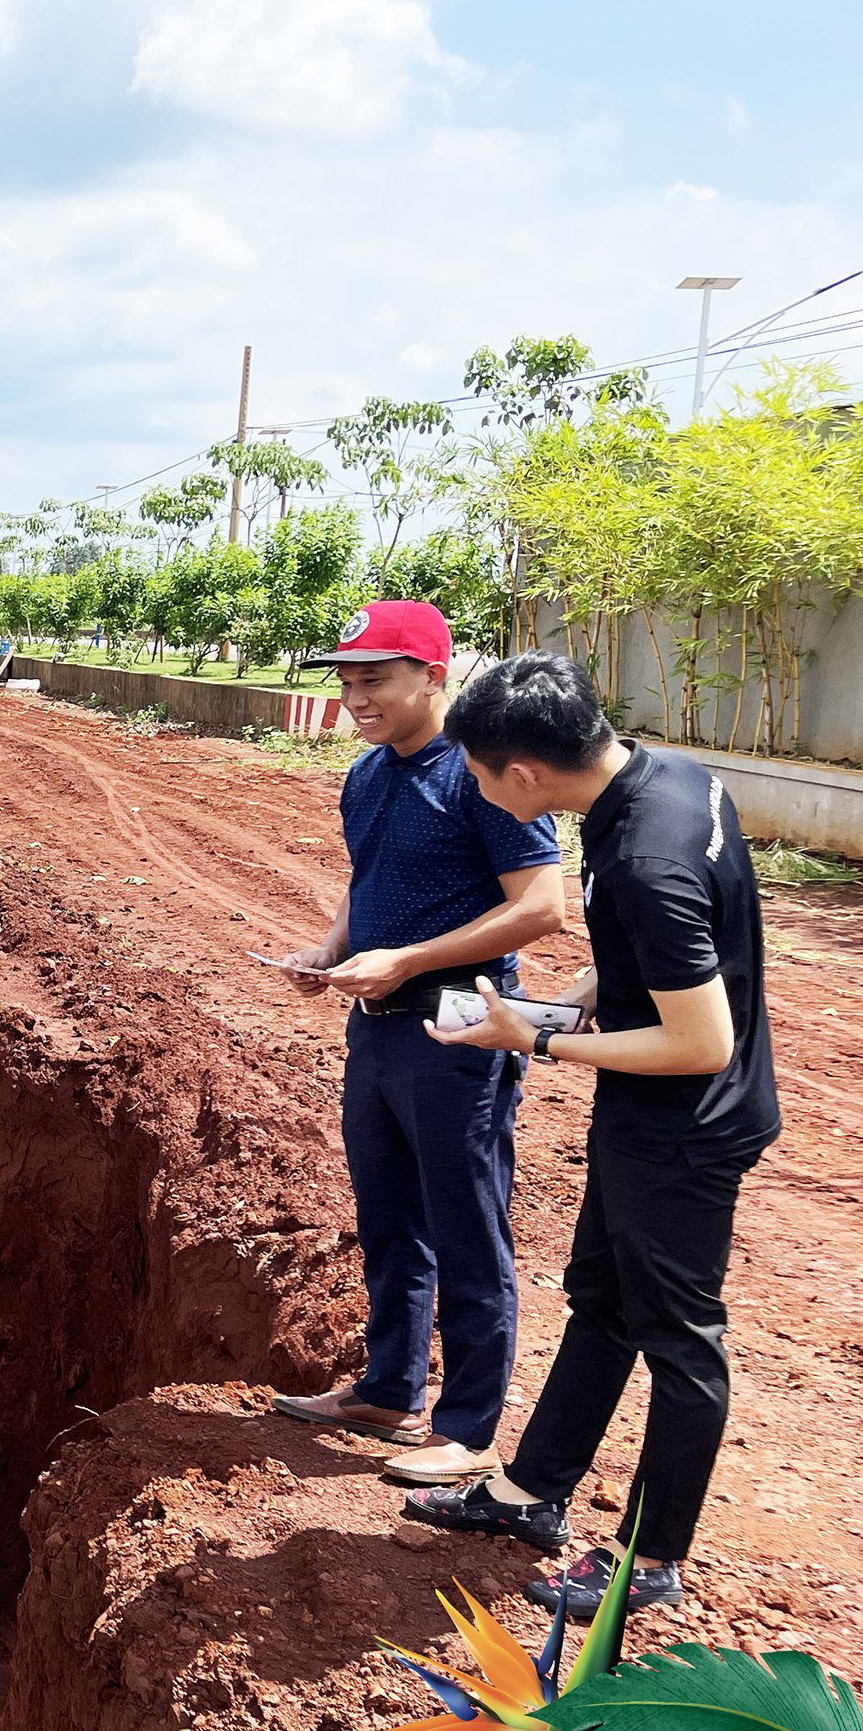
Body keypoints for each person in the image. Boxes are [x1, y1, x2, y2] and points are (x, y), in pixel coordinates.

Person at [403, 653, 777, 1617]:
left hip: (685, 1130)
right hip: (648, 1115)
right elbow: (654, 972)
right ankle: (530, 1493)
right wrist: (560, 1007)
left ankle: (648, 1558)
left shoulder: (646, 858)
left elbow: (698, 1041)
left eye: (481, 777)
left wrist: (531, 1037)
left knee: (679, 1340)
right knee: (601, 1300)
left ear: (521, 774)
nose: (481, 792)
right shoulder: (671, 777)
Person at [266, 600, 566, 1487]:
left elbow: (540, 905)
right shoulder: (366, 774)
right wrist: (332, 946)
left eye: (376, 680)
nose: (357, 697)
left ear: (433, 677)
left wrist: (407, 959)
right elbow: (369, 874)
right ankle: (388, 1388)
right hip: (380, 1030)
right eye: (348, 681)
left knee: (466, 1225)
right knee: (387, 1214)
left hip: (461, 1031)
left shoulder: (482, 777)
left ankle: (468, 1428)